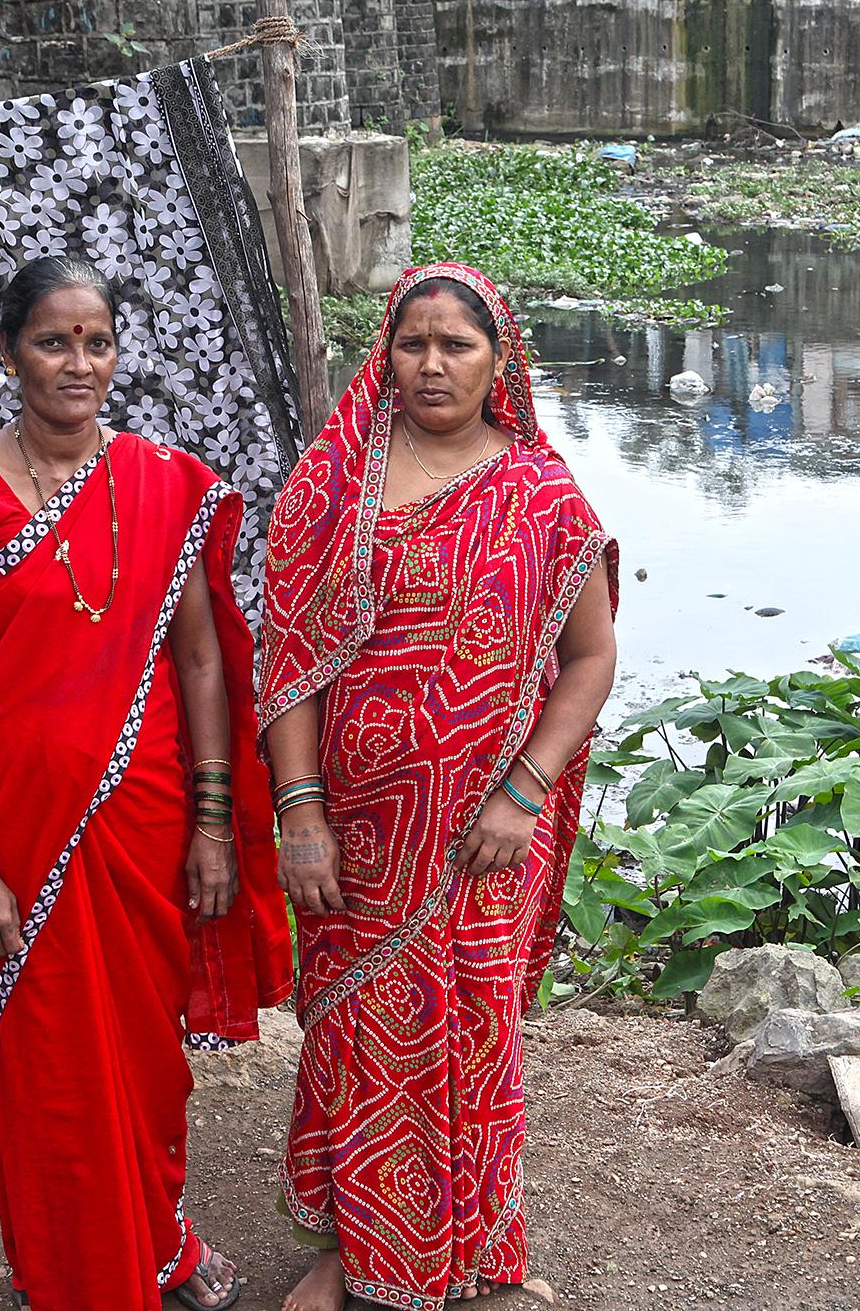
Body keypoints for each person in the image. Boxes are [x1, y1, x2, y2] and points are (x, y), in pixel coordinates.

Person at [0, 255, 294, 1311]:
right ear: (8, 353)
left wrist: (214, 823)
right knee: (45, 1069)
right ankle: (72, 1274)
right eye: (52, 341)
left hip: (149, 820)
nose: (77, 363)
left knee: (144, 1058)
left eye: (96, 341)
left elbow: (205, 661)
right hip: (17, 842)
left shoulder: (166, 483)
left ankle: (157, 1245)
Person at [260, 262, 620, 1311]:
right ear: (385, 352)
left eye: (455, 345)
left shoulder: (543, 496)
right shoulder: (334, 483)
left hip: (483, 838)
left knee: (469, 1030)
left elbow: (589, 659)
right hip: (355, 831)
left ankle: (464, 1250)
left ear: (497, 361)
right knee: (359, 1035)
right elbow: (289, 662)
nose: (430, 364)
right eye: (411, 342)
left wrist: (522, 789)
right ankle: (352, 1248)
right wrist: (300, 813)